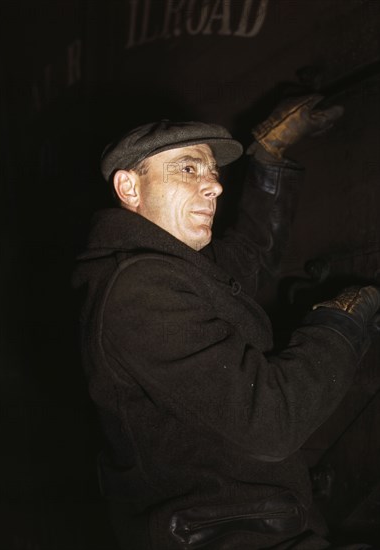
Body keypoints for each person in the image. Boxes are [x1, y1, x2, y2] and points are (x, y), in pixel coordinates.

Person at [73, 96, 380, 549]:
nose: (215, 184)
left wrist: (269, 160)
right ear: (130, 188)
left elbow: (251, 254)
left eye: (213, 171)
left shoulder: (167, 269)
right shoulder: (140, 290)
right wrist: (341, 324)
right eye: (188, 168)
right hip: (229, 535)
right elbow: (270, 421)